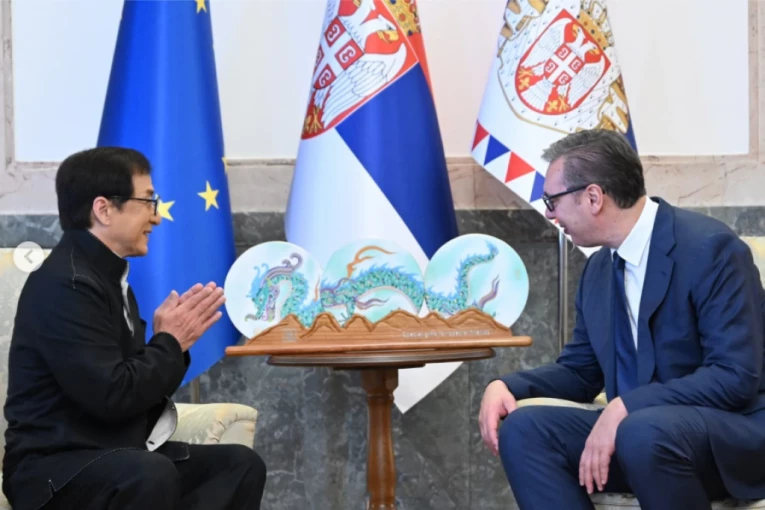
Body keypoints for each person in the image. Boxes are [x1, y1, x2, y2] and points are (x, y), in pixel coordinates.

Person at [478, 129, 765, 510]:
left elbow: (734, 377)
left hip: (726, 439)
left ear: (593, 197)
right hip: (639, 439)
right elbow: (581, 372)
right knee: (525, 430)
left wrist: (627, 406)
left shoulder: (710, 248)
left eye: (552, 200)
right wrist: (507, 385)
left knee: (642, 430)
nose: (549, 214)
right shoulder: (598, 270)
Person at [3, 147, 267, 510]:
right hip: (53, 468)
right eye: (147, 201)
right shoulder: (68, 284)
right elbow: (112, 397)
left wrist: (169, 344)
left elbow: (134, 389)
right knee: (149, 473)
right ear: (104, 209)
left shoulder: (109, 278)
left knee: (238, 466)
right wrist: (169, 342)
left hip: (114, 456)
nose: (156, 217)